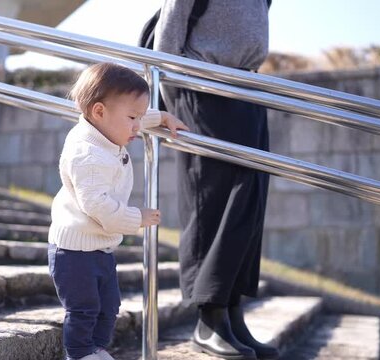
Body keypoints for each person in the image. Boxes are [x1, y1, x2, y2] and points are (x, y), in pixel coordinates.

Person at [154, 1, 278, 359]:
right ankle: (209, 320)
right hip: (202, 87)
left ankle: (232, 313)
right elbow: (169, 30)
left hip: (245, 85)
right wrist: (173, 96)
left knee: (248, 198)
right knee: (213, 197)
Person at [48, 62, 188, 360]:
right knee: (83, 308)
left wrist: (161, 117)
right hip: (73, 252)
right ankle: (80, 353)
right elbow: (98, 206)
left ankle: (97, 348)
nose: (138, 126)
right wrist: (138, 217)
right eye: (133, 118)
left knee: (109, 306)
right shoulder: (87, 154)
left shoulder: (105, 126)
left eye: (140, 117)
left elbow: (129, 113)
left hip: (99, 246)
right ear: (98, 112)